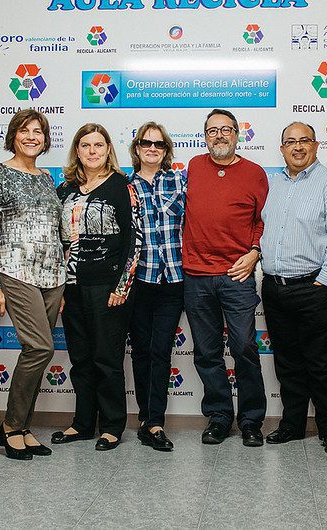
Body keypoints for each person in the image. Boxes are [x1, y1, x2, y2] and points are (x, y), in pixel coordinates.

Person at [261, 122, 327, 454]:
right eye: (290, 141)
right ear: (282, 149)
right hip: (275, 289)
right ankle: (292, 425)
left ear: (316, 145)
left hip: (315, 289)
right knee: (287, 365)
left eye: (304, 140)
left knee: (323, 365)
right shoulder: (273, 185)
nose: (297, 147)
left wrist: (323, 281)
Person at [0, 109, 65, 461]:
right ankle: (11, 426)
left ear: (45, 140)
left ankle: (23, 426)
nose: (31, 136)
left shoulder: (47, 178)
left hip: (53, 275)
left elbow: (55, 229)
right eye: (24, 130)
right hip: (14, 270)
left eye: (38, 132)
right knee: (41, 347)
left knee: (36, 353)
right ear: (13, 135)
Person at [52, 123, 141, 451]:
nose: (92, 151)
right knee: (81, 358)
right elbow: (57, 241)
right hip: (72, 287)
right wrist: (59, 288)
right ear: (77, 150)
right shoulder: (65, 189)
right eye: (86, 145)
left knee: (107, 358)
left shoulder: (122, 186)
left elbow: (134, 239)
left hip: (108, 287)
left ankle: (113, 425)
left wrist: (122, 286)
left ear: (108, 150)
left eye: (98, 145)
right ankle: (83, 423)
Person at [182, 109, 268, 447]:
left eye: (226, 129)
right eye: (212, 130)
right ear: (205, 137)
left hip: (237, 274)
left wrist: (255, 251)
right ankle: (218, 417)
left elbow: (263, 219)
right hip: (196, 275)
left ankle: (251, 421)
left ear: (237, 134)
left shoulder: (255, 173)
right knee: (207, 351)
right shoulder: (193, 167)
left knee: (244, 347)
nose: (219, 135)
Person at [127, 122, 186, 451]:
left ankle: (155, 422)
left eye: (159, 144)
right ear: (137, 148)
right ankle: (145, 419)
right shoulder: (124, 186)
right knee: (141, 351)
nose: (152, 148)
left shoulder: (181, 181)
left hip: (173, 281)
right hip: (139, 282)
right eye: (146, 143)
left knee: (161, 351)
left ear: (166, 151)